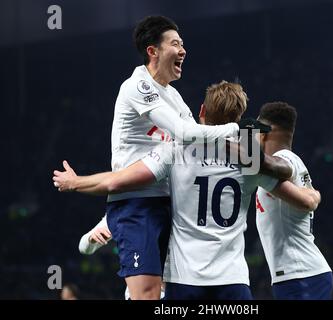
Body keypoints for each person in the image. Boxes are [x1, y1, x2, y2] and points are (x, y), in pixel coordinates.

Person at [53, 81, 321, 299]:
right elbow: (298, 193)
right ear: (238, 119)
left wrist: (76, 182)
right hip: (232, 281)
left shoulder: (176, 149)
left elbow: (116, 182)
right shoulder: (250, 161)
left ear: (201, 111)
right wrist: (312, 195)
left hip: (185, 280)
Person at [98, 15, 263, 300]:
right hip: (137, 197)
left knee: (153, 292)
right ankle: (105, 223)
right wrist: (240, 129)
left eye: (183, 44)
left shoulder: (173, 97)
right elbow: (185, 132)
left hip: (166, 198)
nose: (183, 50)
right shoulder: (136, 86)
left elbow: (197, 131)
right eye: (176, 44)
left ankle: (103, 225)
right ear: (153, 51)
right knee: (147, 294)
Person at [255, 101, 333, 300]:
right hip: (301, 274)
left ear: (264, 134)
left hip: (300, 275)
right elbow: (311, 196)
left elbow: (280, 167)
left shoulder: (284, 160)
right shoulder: (294, 163)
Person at [78, 215, 165, 299]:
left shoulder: (171, 207)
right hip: (141, 292)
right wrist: (91, 238)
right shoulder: (123, 211)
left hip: (173, 286)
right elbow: (83, 246)